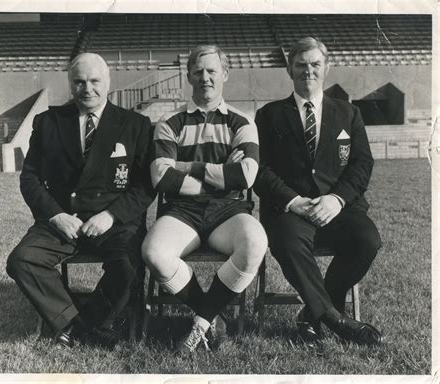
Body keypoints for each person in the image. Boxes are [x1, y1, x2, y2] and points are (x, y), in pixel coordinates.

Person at [6, 53, 154, 349]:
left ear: (108, 82)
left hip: (112, 222)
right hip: (64, 219)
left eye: (95, 81)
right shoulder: (48, 122)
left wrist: (110, 216)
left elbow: (145, 185)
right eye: (80, 82)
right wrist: (56, 216)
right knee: (22, 260)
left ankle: (82, 325)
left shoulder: (136, 124)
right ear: (70, 85)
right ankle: (77, 324)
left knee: (127, 264)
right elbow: (30, 178)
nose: (88, 88)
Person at [254, 37, 382, 347]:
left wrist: (336, 200)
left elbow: (362, 163)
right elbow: (260, 169)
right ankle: (336, 320)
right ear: (289, 69)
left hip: (338, 207)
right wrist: (293, 201)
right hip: (290, 210)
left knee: (367, 241)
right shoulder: (269, 115)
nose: (307, 71)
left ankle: (312, 315)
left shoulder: (348, 113)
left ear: (326, 68)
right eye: (300, 65)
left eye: (315, 65)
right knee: (287, 242)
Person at [142, 45, 267, 354]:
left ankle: (201, 320)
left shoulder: (242, 121)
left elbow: (246, 176)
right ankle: (213, 318)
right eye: (198, 71)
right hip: (182, 211)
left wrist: (187, 166)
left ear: (224, 74)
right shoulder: (170, 122)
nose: (205, 78)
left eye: (212, 71)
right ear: (188, 76)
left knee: (254, 243)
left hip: (229, 211)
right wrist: (222, 173)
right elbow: (161, 177)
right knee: (154, 251)